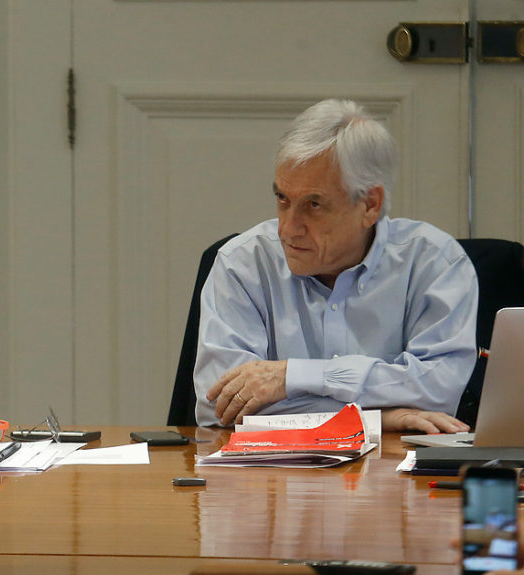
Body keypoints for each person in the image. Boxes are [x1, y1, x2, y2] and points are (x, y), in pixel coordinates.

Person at [194, 98, 478, 432]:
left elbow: (438, 391)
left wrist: (292, 377)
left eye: (313, 205)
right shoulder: (242, 264)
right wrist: (377, 419)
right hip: (270, 479)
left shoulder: (436, 264)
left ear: (370, 205)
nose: (287, 228)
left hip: (396, 476)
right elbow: (224, 410)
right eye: (282, 199)